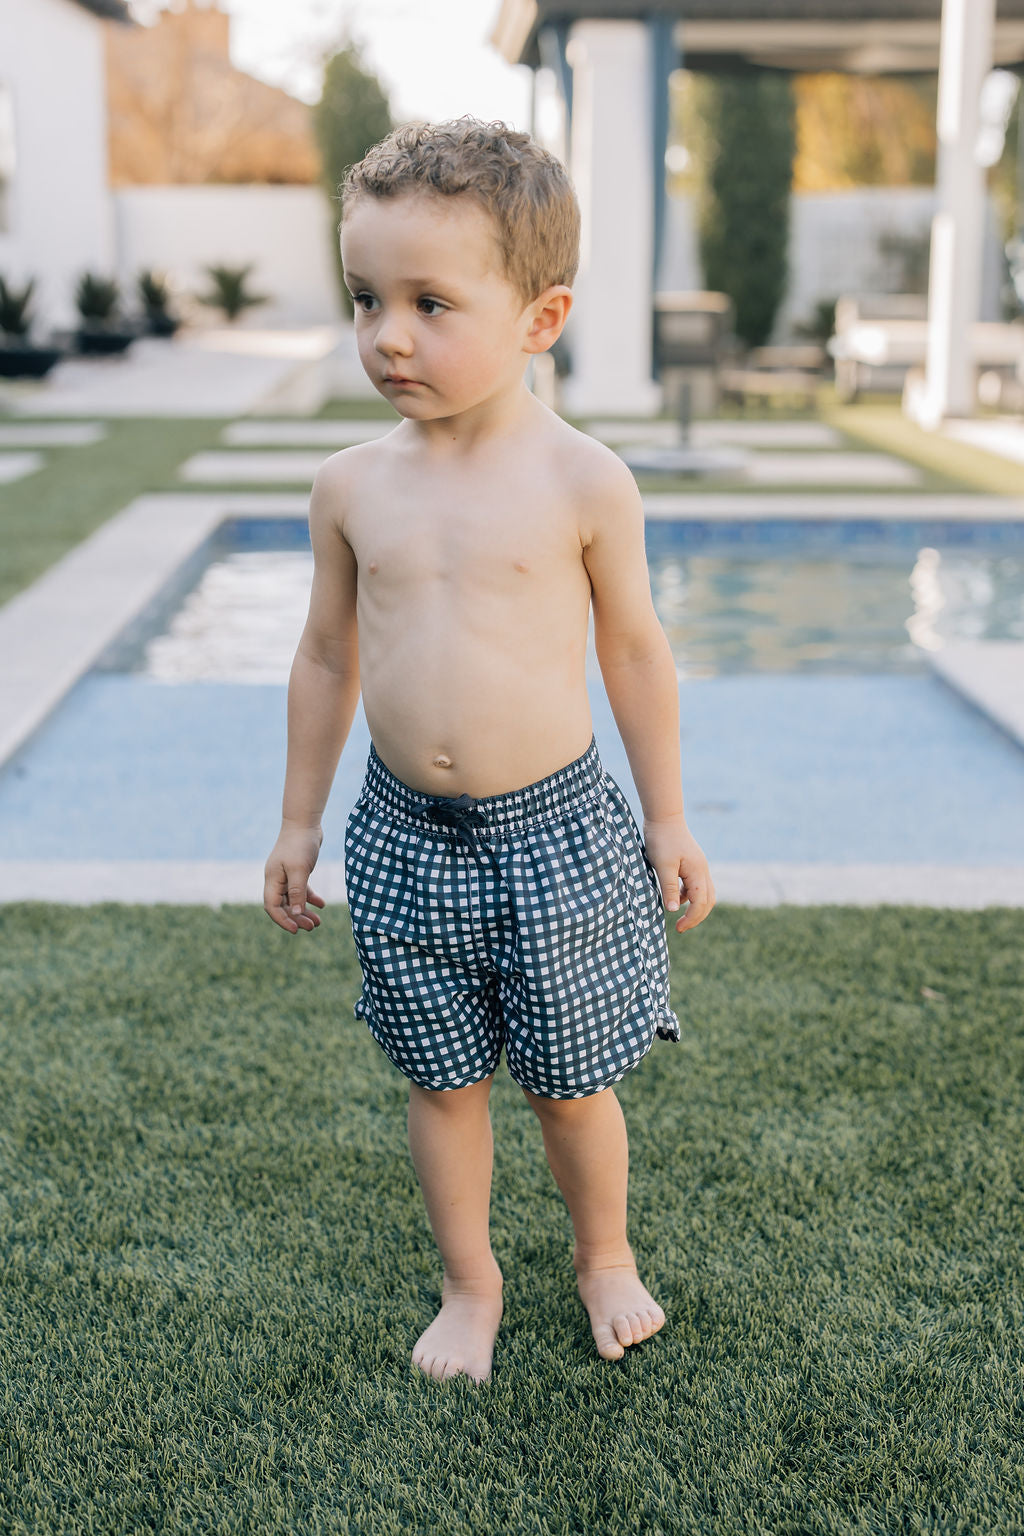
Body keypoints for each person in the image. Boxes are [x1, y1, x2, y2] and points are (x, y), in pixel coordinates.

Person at [263, 117, 715, 1385]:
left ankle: (602, 1256)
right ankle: (471, 1281)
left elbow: (634, 652)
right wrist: (299, 823)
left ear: (539, 315)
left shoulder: (584, 482)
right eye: (366, 298)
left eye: (428, 302)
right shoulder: (351, 486)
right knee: (444, 1079)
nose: (387, 335)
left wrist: (667, 818)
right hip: (404, 836)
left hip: (559, 836)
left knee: (570, 1083)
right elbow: (323, 659)